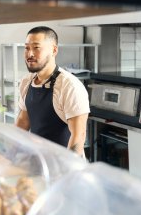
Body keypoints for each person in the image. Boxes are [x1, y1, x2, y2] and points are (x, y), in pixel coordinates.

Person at [16, 26, 90, 156]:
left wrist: (68, 171)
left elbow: (78, 136)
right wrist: (8, 155)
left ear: (54, 50)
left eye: (36, 48)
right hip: (39, 161)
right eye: (27, 48)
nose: (30, 54)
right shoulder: (26, 82)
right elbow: (23, 122)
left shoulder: (69, 86)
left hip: (65, 165)